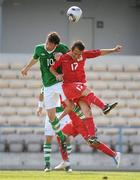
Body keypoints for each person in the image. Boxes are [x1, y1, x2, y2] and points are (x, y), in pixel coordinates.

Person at [21, 32, 84, 153]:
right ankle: (61, 136)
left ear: (56, 45)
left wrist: (63, 58)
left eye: (50, 45)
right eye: (47, 43)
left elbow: (73, 57)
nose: (47, 45)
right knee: (50, 117)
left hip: (60, 81)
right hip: (47, 85)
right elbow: (35, 59)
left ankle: (85, 121)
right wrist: (26, 68)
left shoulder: (62, 48)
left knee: (69, 104)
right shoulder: (39, 48)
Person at [50, 41, 122, 121]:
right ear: (71, 50)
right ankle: (104, 107)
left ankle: (91, 132)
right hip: (70, 87)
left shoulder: (84, 54)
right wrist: (57, 75)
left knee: (87, 112)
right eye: (75, 53)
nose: (76, 56)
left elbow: (99, 52)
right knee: (86, 93)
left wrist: (114, 50)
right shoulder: (63, 58)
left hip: (80, 86)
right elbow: (52, 68)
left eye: (79, 54)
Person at [56, 101, 121, 170]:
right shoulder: (61, 95)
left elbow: (70, 107)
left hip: (81, 124)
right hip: (74, 123)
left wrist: (59, 118)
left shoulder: (64, 95)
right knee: (60, 136)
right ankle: (65, 161)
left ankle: (115, 154)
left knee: (92, 143)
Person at [37, 87, 72, 172]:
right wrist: (40, 107)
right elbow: (41, 94)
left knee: (66, 139)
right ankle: (47, 164)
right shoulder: (48, 84)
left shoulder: (63, 84)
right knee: (48, 138)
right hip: (51, 114)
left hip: (64, 114)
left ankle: (66, 163)